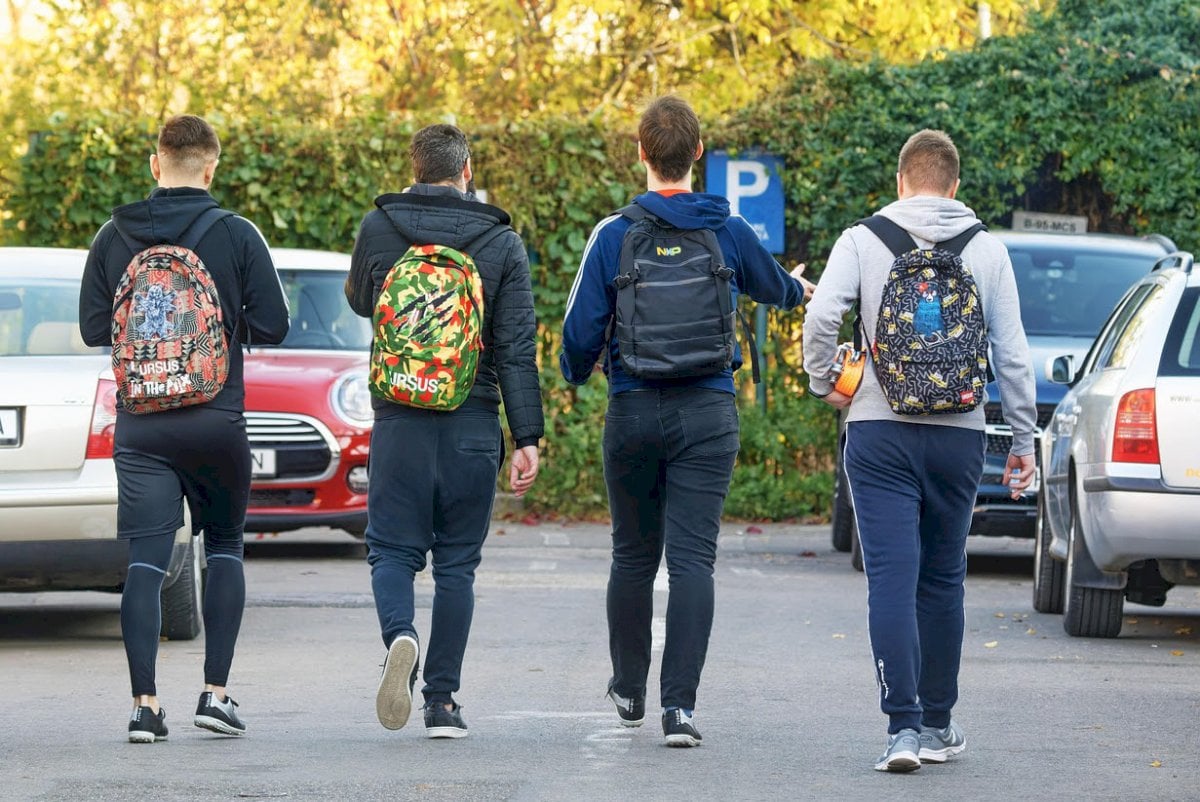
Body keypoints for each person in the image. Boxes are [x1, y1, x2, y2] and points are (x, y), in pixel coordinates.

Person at [560, 95, 812, 748]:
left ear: (641, 152)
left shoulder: (613, 234)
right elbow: (773, 286)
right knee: (693, 560)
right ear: (699, 152)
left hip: (632, 409)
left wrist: (577, 370)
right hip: (707, 410)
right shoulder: (726, 228)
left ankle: (628, 689)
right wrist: (798, 289)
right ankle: (679, 710)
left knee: (632, 555)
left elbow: (579, 336)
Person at [802, 129, 1036, 772]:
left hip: (879, 431)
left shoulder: (861, 240)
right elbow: (1013, 354)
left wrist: (825, 382)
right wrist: (1021, 440)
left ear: (900, 181)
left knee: (891, 579)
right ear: (954, 186)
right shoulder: (987, 249)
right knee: (942, 577)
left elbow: (822, 317)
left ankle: (901, 730)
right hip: (959, 434)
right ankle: (937, 725)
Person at [79, 114, 290, 743]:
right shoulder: (237, 233)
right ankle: (215, 696)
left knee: (145, 562)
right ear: (211, 168)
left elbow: (93, 330)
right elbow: (275, 325)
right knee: (223, 547)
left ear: (156, 164)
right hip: (215, 419)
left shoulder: (112, 235)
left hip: (142, 425)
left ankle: (144, 707)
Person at [345, 123, 544, 739]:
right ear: (466, 171)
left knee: (391, 549)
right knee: (457, 564)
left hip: (400, 416)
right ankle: (442, 703)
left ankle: (400, 636)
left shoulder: (379, 227)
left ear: (415, 168)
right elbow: (516, 348)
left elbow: (360, 300)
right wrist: (527, 437)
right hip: (473, 421)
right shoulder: (501, 241)